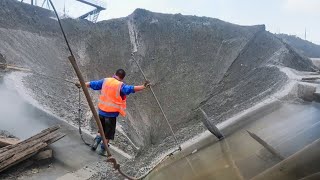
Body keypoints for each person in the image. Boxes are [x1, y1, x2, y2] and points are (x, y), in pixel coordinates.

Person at [76, 69, 150, 155]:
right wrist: (143, 87)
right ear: (122, 78)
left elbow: (93, 84)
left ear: (114, 74)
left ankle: (95, 143)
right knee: (108, 132)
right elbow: (131, 89)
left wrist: (81, 84)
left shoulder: (105, 81)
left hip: (101, 111)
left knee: (101, 128)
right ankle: (103, 148)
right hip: (111, 115)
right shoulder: (120, 85)